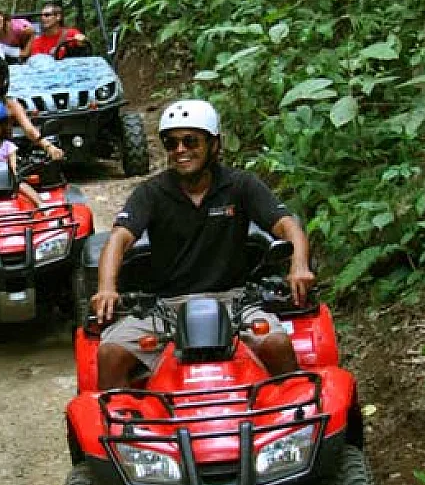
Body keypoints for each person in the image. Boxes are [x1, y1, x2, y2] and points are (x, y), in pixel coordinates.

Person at [92, 99, 315, 390]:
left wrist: (298, 266)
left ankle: (292, 417)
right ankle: (123, 428)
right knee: (110, 352)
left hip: (234, 302)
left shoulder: (240, 185)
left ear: (214, 144)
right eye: (171, 143)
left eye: (190, 141)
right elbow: (119, 238)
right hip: (167, 308)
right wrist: (106, 287)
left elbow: (288, 226)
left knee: (276, 343)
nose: (180, 150)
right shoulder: (152, 193)